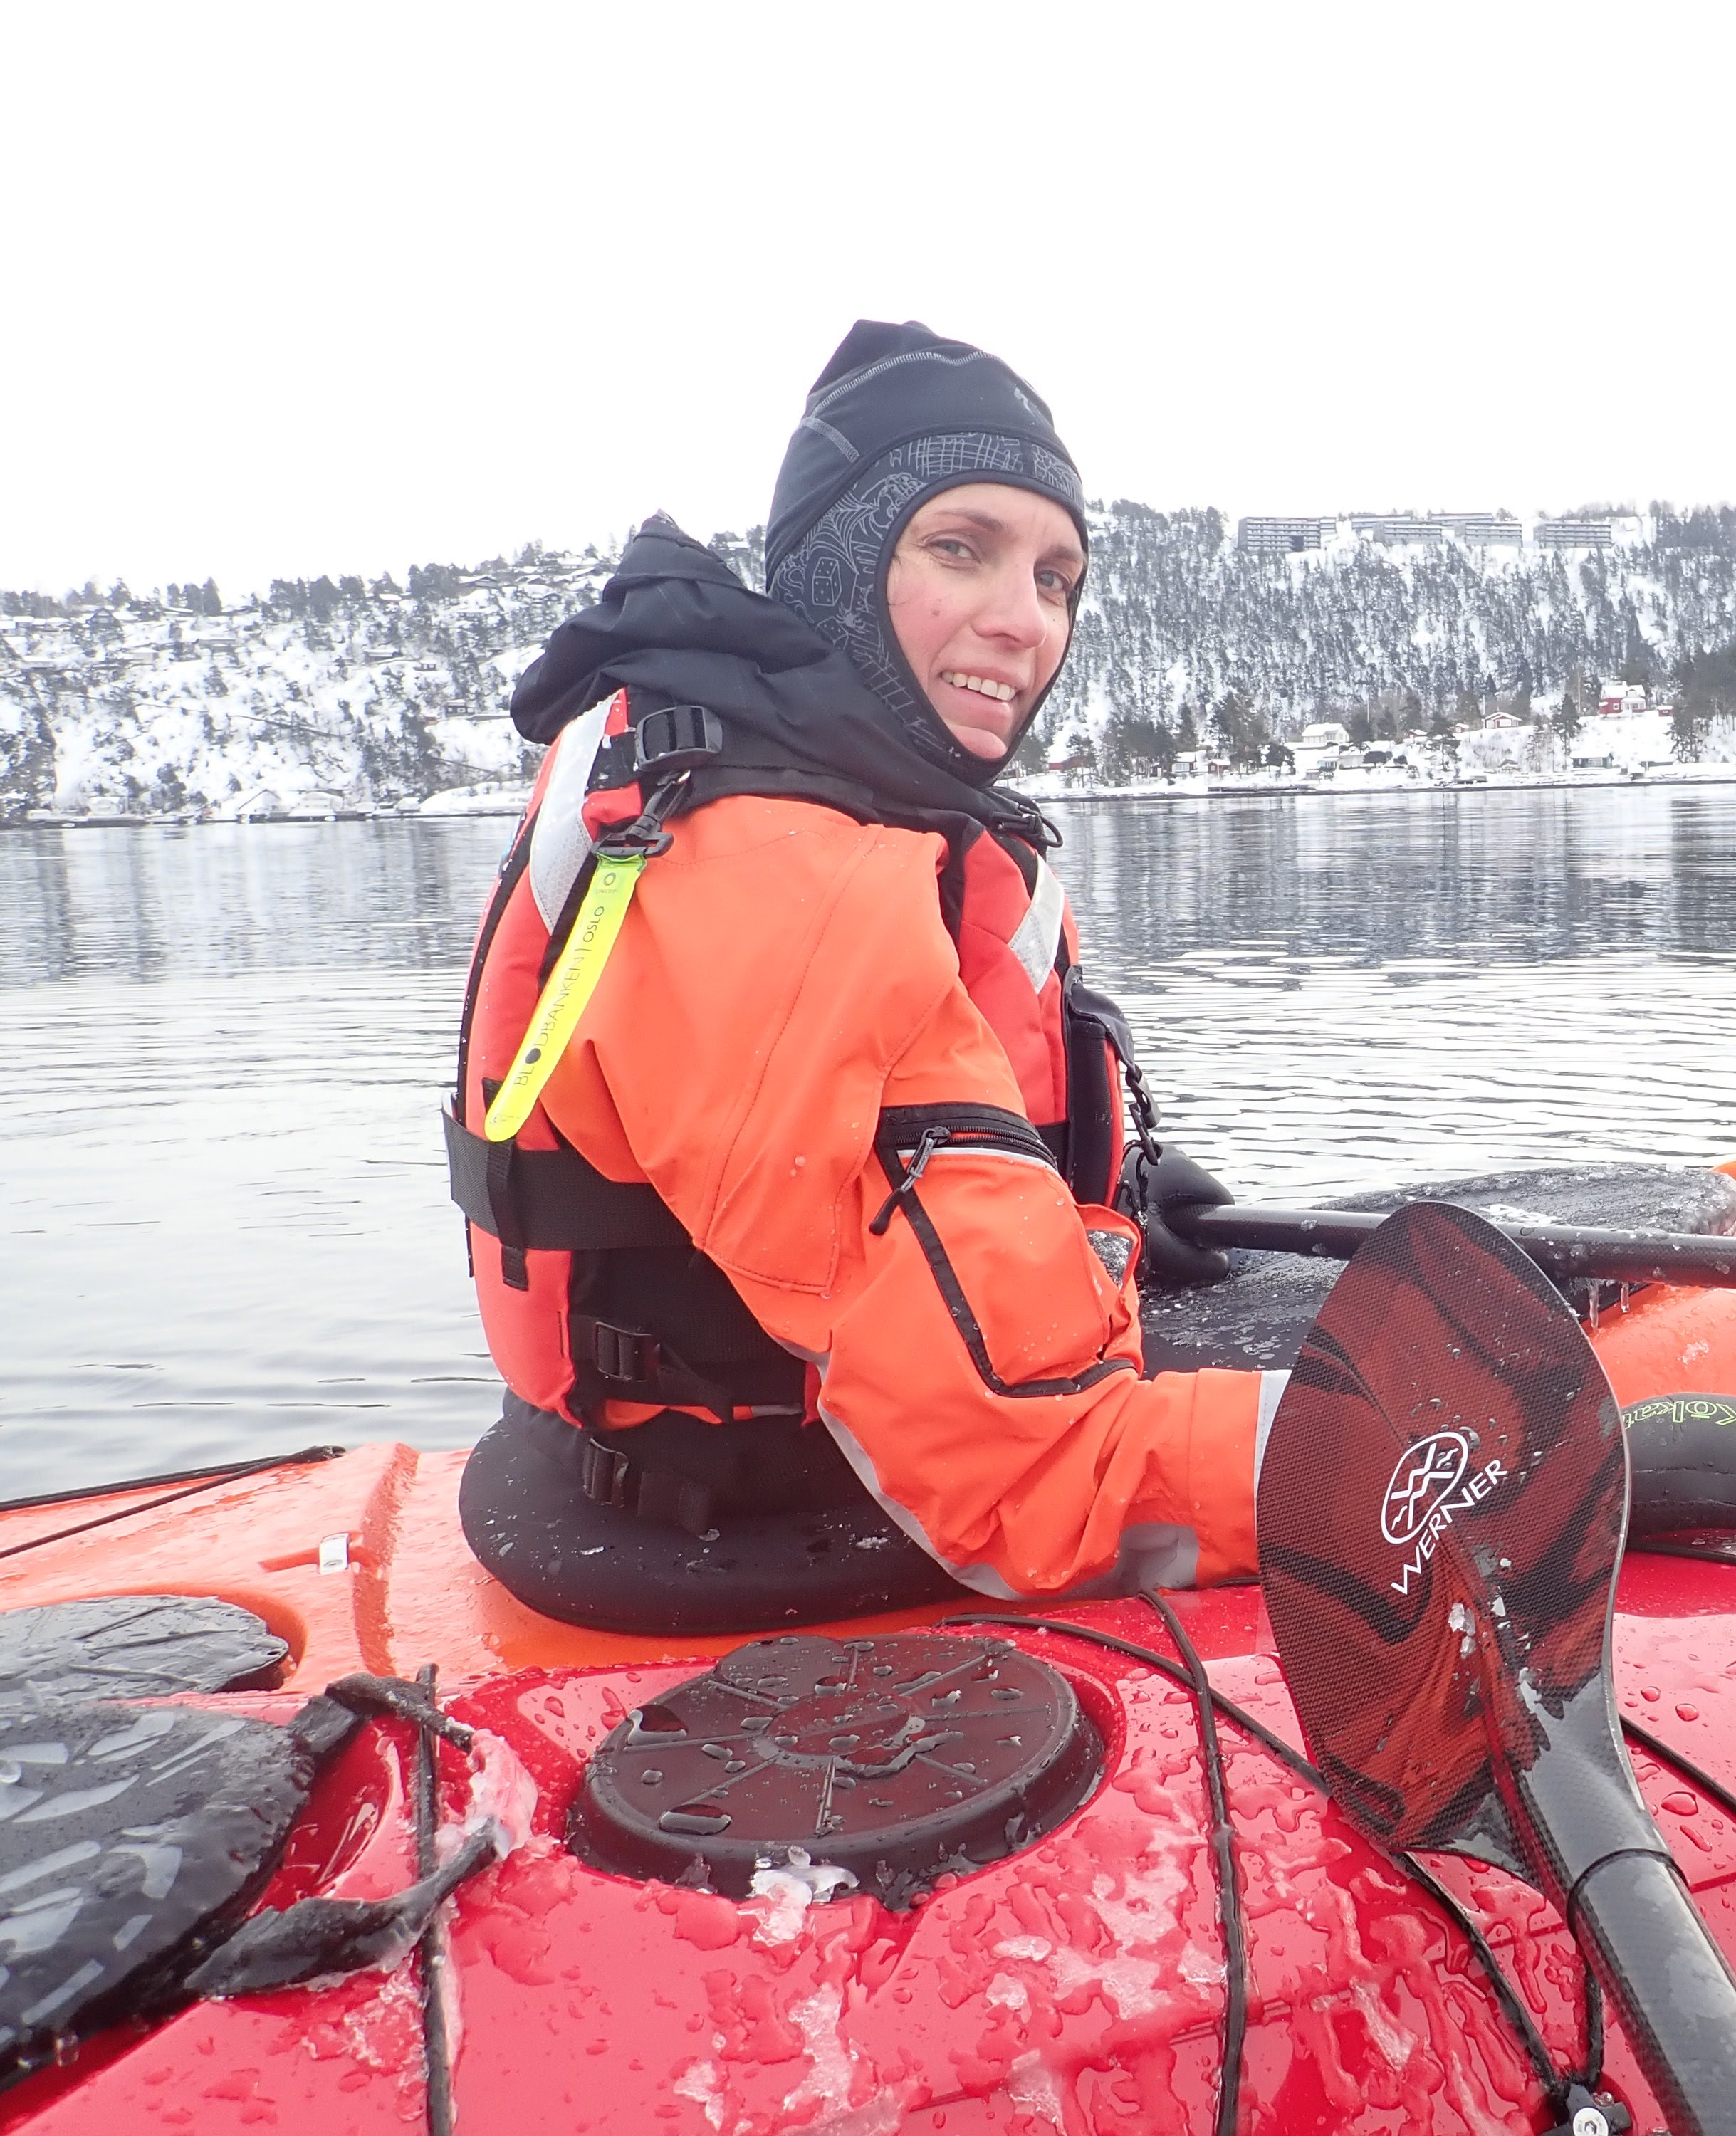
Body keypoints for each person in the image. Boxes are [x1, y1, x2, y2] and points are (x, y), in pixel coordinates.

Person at [448, 320, 1267, 1618]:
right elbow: (1039, 1482)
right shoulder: (767, 864)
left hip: (797, 1458)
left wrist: (1093, 1210)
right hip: (770, 1515)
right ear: (839, 567)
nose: (1024, 621)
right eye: (961, 549)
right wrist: (1428, 1463)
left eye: (1057, 577)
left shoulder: (807, 792)